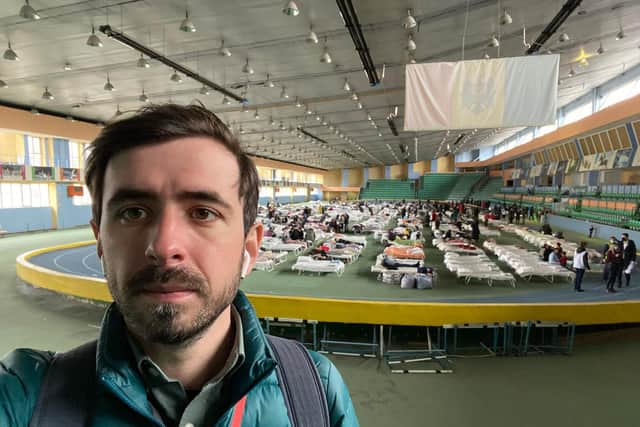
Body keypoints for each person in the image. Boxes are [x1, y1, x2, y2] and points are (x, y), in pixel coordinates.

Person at [0, 105, 358, 426]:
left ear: (249, 248)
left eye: (203, 213)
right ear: (100, 242)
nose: (164, 247)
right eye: (133, 212)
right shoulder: (26, 395)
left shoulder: (315, 390)